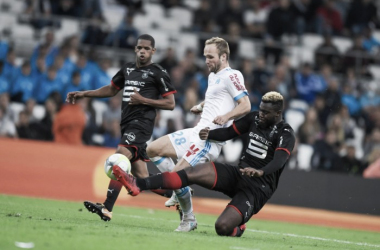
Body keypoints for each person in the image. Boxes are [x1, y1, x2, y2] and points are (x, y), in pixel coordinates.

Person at [113, 91, 296, 237]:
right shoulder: (254, 118)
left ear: (278, 113)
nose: (261, 114)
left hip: (257, 188)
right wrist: (209, 134)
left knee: (222, 227)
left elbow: (279, 161)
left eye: (266, 112)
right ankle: (138, 184)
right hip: (238, 174)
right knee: (190, 173)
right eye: (261, 109)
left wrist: (260, 172)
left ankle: (238, 228)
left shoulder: (285, 133)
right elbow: (229, 132)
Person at [66, 34, 177, 221]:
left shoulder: (158, 72)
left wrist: (143, 100)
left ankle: (107, 207)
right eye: (139, 48)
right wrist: (84, 94)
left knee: (119, 156)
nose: (142, 51)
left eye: (146, 49)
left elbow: (170, 103)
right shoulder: (127, 69)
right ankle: (179, 192)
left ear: (153, 51)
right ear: (135, 49)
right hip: (127, 125)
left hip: (141, 124)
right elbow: (111, 90)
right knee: (141, 177)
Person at [146, 37, 251, 232]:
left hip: (208, 138)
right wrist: (201, 106)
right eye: (205, 56)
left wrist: (226, 116)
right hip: (196, 132)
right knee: (152, 150)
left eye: (210, 57)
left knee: (176, 174)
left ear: (224, 56)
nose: (206, 61)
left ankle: (188, 218)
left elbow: (246, 105)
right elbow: (218, 97)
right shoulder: (213, 76)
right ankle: (180, 188)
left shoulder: (232, 75)